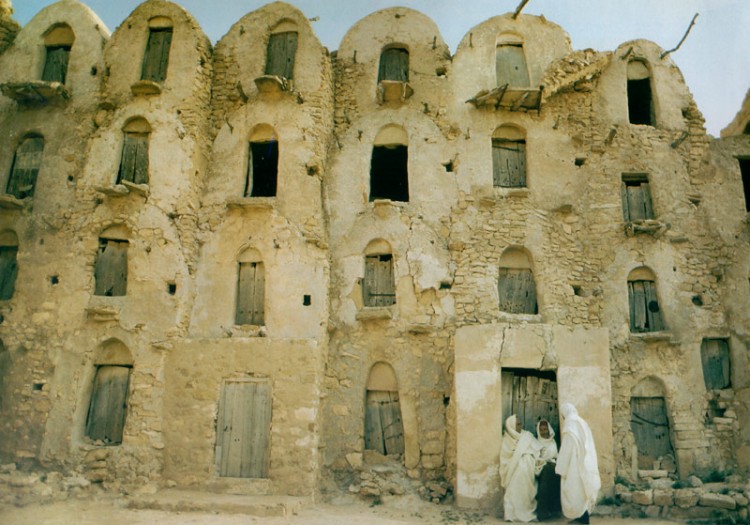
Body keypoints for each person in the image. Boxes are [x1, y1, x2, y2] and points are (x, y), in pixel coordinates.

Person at [555, 403, 601, 525]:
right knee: (582, 490)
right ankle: (583, 517)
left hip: (574, 464)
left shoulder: (570, 424)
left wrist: (561, 466)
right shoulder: (581, 422)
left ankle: (581, 518)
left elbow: (567, 447)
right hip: (584, 462)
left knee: (573, 490)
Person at [500, 414, 541, 522]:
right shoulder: (506, 440)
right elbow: (505, 458)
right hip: (512, 472)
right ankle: (512, 514)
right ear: (511, 426)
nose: (520, 426)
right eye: (517, 424)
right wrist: (518, 458)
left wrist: (527, 455)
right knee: (514, 488)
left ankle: (527, 511)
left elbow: (538, 449)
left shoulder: (527, 436)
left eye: (520, 423)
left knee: (526, 485)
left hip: (528, 469)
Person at [535, 419, 561, 520]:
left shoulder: (553, 441)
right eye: (541, 430)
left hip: (553, 465)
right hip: (542, 467)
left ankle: (555, 510)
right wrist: (545, 461)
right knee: (547, 474)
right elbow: (536, 458)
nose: (543, 432)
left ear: (549, 429)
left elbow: (556, 455)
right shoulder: (537, 442)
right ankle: (542, 512)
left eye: (545, 429)